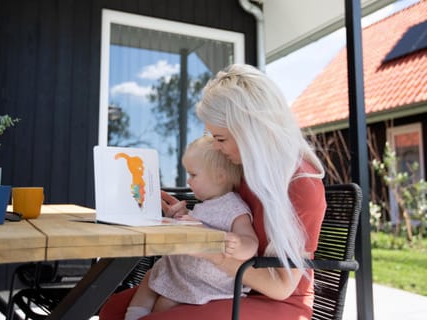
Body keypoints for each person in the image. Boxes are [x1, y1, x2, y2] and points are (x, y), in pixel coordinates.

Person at [99, 63, 326, 320]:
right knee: (112, 310)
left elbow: (282, 286)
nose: (217, 148)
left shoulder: (301, 184)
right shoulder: (244, 171)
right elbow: (222, 217)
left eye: (220, 139)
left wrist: (210, 251)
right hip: (223, 285)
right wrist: (184, 217)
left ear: (251, 131)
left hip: (275, 302)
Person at [124, 135, 258, 320]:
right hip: (184, 272)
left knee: (165, 302)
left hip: (205, 281)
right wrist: (177, 218)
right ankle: (132, 316)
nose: (188, 181)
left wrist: (238, 245)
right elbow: (196, 229)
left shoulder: (234, 207)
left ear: (219, 176)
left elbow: (251, 243)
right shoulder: (205, 205)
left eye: (193, 175)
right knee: (149, 277)